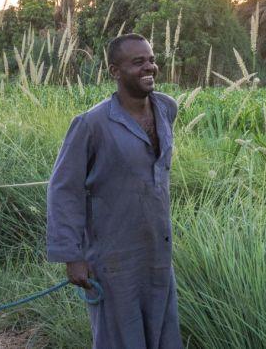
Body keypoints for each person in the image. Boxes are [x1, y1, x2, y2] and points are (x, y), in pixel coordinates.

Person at [46, 33, 183, 348]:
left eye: (151, 59)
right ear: (114, 71)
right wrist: (72, 257)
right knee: (119, 338)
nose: (149, 67)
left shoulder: (166, 109)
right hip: (112, 257)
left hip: (158, 251)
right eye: (138, 62)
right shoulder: (91, 124)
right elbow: (63, 190)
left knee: (163, 335)